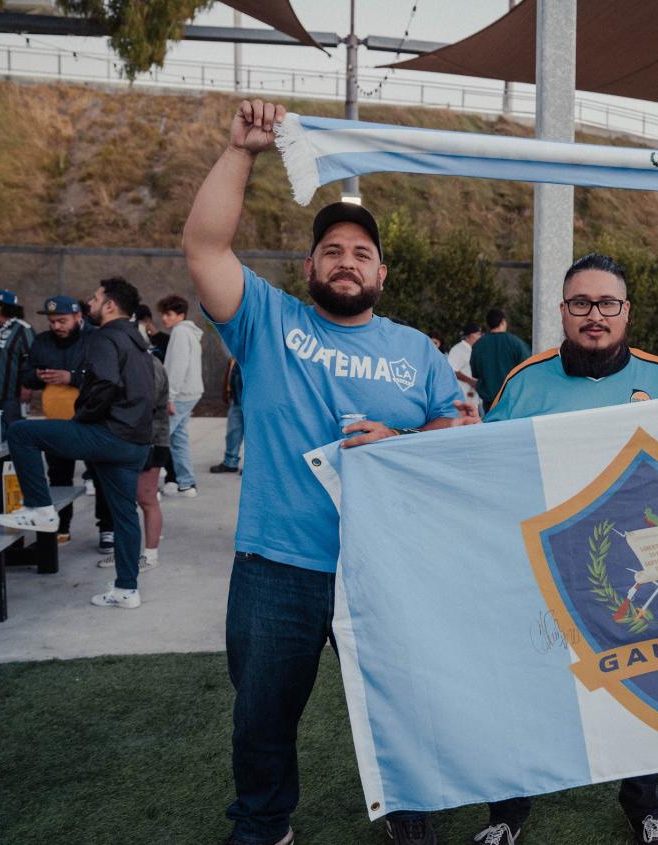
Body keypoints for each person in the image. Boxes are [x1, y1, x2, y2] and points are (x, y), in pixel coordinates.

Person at [182, 99, 472, 845]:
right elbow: (205, 250)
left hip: (384, 567)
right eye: (333, 250)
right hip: (277, 564)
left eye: (361, 253)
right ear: (311, 266)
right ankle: (264, 822)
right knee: (262, 717)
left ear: (383, 271)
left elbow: (459, 432)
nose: (348, 260)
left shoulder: (414, 349)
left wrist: (403, 435)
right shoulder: (270, 322)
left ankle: (411, 817)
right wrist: (241, 150)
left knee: (403, 709)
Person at [481, 253, 658, 845]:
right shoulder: (524, 381)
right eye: (580, 304)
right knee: (527, 687)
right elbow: (483, 468)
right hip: (545, 567)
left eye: (606, 304)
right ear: (563, 310)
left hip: (637, 570)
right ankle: (507, 811)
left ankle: (643, 803)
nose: (593, 316)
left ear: (627, 311)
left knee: (642, 686)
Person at [0, 277, 154, 609]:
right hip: (136, 442)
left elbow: (106, 382)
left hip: (109, 434)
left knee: (22, 433)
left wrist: (82, 419)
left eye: (94, 299)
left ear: (110, 306)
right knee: (124, 515)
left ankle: (40, 510)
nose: (88, 304)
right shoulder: (136, 339)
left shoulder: (105, 336)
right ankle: (127, 589)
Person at [21, 295, 89, 543]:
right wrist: (38, 376)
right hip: (55, 421)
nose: (57, 326)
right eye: (52, 321)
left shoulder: (93, 339)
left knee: (102, 477)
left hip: (90, 420)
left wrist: (71, 378)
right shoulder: (42, 341)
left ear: (78, 317)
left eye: (62, 320)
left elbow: (104, 379)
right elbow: (26, 376)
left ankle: (108, 530)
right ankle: (61, 527)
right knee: (59, 478)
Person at [99, 355, 168, 573]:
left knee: (146, 498)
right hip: (124, 438)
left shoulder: (150, 363)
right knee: (122, 501)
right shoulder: (120, 361)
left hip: (152, 439)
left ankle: (150, 555)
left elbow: (146, 402)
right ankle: (124, 553)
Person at [158, 294, 204, 497]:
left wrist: (169, 397)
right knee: (178, 438)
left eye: (168, 314)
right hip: (191, 392)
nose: (164, 319)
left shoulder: (180, 332)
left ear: (180, 315)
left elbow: (177, 366)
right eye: (163, 314)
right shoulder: (189, 333)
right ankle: (187, 484)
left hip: (181, 394)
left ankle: (148, 488)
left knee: (158, 437)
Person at [470, 307, 531, 412]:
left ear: (488, 324)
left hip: (489, 401)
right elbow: (528, 368)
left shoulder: (478, 345)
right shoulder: (516, 343)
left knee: (491, 427)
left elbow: (475, 372)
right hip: (512, 400)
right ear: (503, 322)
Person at [0, 289, 35, 427]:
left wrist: (27, 387)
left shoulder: (23, 329)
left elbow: (31, 359)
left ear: (2, 306)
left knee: (12, 431)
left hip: (11, 396)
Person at [211, 357, 245, 474]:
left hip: (251, 402)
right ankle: (230, 462)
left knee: (253, 436)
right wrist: (226, 393)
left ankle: (253, 467)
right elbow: (230, 376)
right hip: (236, 400)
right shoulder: (234, 358)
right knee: (232, 434)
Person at [446, 322, 482, 414]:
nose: (480, 336)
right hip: (461, 397)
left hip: (474, 397)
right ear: (470, 335)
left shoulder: (475, 349)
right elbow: (451, 370)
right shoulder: (458, 349)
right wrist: (470, 381)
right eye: (478, 334)